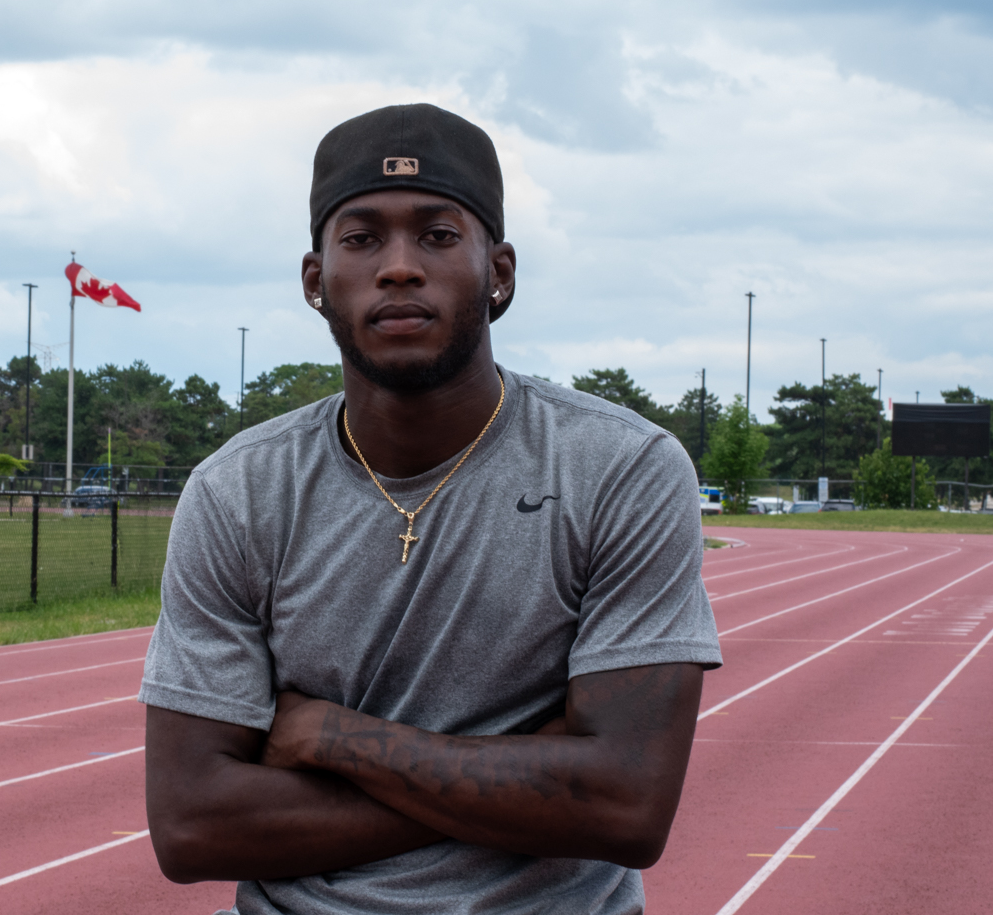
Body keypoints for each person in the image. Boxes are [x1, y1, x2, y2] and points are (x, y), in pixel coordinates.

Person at [141, 104, 722, 915]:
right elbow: (192, 827)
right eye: (361, 238)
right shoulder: (238, 491)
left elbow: (625, 807)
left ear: (500, 273)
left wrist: (331, 738)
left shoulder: (619, 468)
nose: (400, 267)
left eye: (439, 236)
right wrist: (526, 780)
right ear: (315, 281)